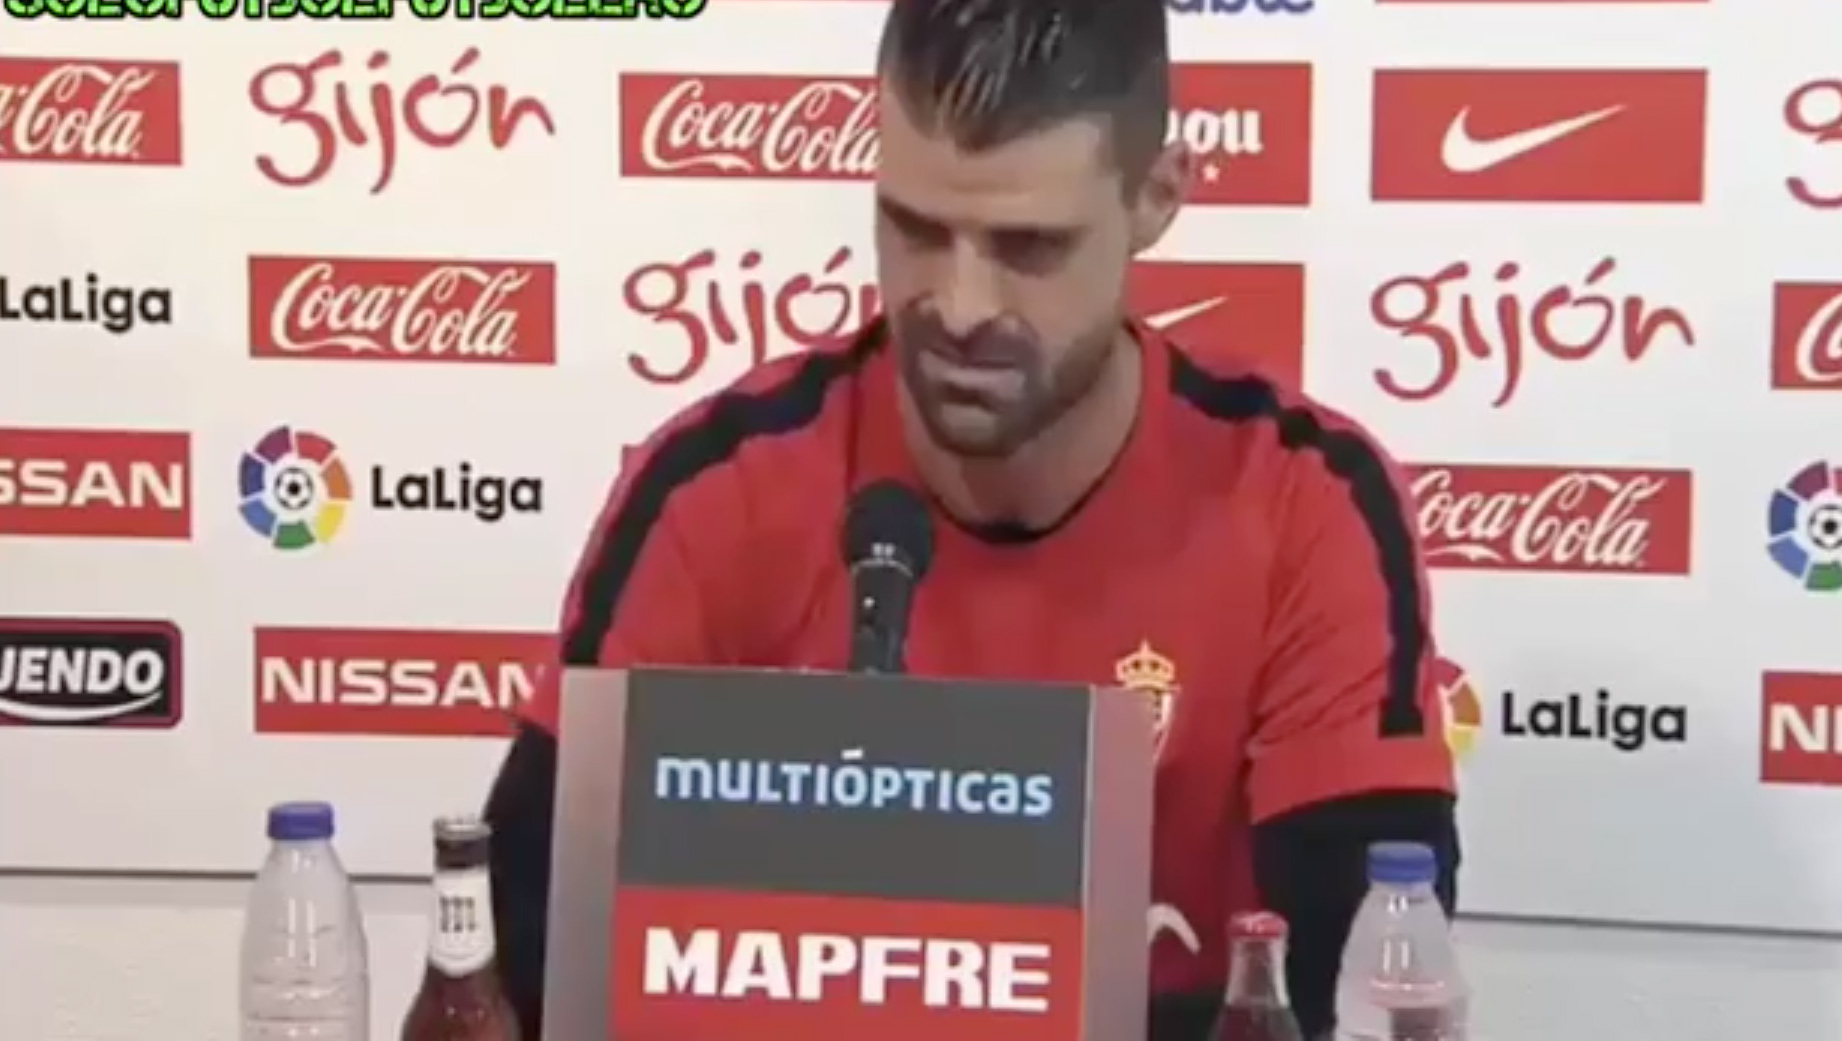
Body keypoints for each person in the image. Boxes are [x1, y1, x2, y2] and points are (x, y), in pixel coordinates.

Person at [483, 0, 1460, 1036]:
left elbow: (1367, 965)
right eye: (913, 230)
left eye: (1026, 246)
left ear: (1156, 197)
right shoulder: (714, 490)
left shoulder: (1306, 501)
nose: (957, 304)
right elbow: (533, 943)